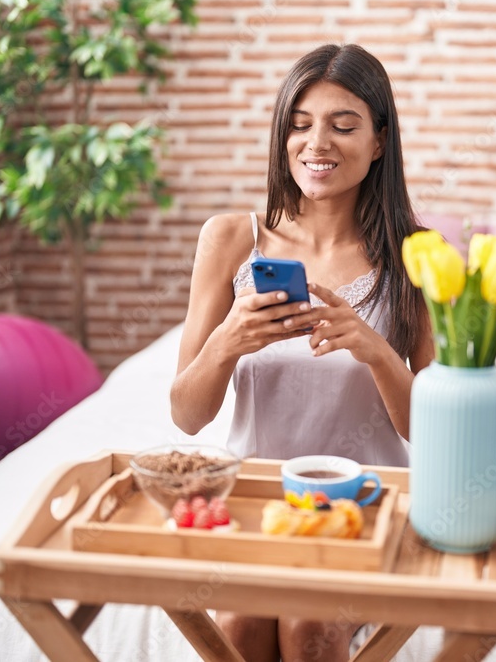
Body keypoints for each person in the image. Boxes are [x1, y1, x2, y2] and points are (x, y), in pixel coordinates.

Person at [170, 44, 433, 661]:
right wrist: (227, 342)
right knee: (239, 630)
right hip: (254, 504)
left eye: (344, 125)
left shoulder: (416, 254)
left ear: (378, 143)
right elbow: (186, 414)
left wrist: (375, 351)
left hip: (360, 510)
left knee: (310, 629)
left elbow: (431, 427)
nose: (318, 143)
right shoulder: (232, 238)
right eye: (299, 124)